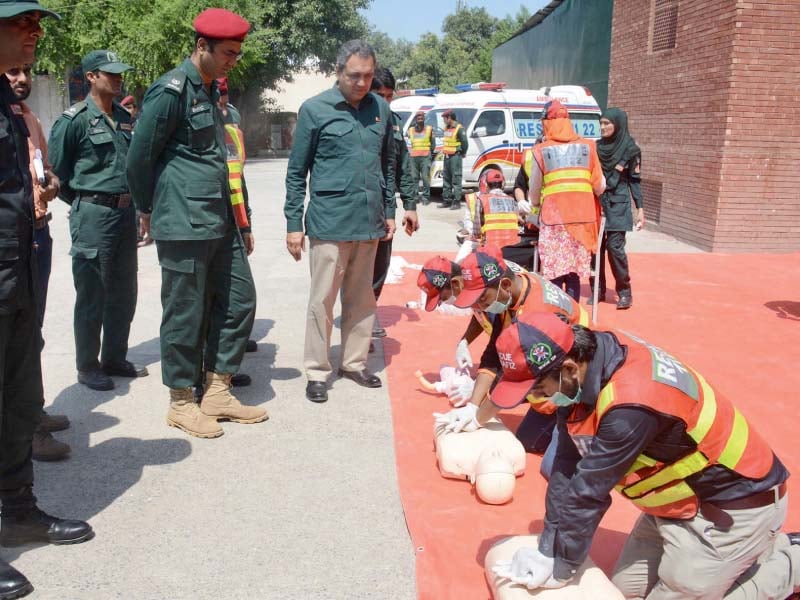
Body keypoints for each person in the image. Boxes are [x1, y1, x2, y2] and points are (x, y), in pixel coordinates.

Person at [488, 311, 800, 598]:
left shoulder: (630, 404)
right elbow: (567, 466)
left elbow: (588, 491)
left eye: (538, 389)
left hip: (734, 505)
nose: (537, 399)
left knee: (683, 593)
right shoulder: (584, 364)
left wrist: (562, 568)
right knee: (625, 591)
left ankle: (789, 560)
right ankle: (735, 558)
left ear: (569, 368)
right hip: (674, 502)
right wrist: (547, 548)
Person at [127, 8, 267, 438]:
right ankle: (181, 401)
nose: (234, 61)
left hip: (218, 218)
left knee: (240, 300)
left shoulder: (208, 90)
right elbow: (139, 159)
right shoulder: (171, 91)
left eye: (238, 54)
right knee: (185, 313)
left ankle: (218, 389)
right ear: (202, 47)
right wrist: (150, 209)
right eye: (228, 53)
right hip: (183, 222)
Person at [0, 3, 94, 596]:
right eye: (22, 23)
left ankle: (17, 511)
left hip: (16, 276)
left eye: (37, 24)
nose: (35, 34)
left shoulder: (9, 107)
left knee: (15, 406)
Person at [284, 39, 396, 404]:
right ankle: (317, 371)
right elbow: (297, 171)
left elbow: (388, 164)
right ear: (338, 73)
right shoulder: (315, 110)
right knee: (322, 301)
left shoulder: (380, 108)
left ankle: (353, 362)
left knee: (362, 299)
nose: (362, 83)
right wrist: (293, 223)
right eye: (354, 76)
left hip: (369, 222)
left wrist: (391, 211)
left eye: (367, 76)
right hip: (329, 222)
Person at [436, 246, 590, 472]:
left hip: (573, 383)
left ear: (505, 286)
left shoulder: (535, 314)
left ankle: (580, 429)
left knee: (552, 468)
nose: (479, 308)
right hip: (550, 375)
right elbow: (493, 355)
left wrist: (479, 418)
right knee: (527, 440)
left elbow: (522, 376)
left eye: (482, 299)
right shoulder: (512, 293)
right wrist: (473, 406)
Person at [49, 49, 147, 391]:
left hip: (124, 213)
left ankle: (114, 357)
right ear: (91, 76)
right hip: (93, 214)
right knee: (92, 291)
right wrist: (86, 203)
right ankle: (87, 365)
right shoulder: (73, 120)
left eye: (120, 73)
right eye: (111, 73)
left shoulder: (122, 115)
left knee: (124, 289)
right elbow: (58, 174)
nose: (118, 78)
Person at [6, 62, 71, 461]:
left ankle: (31, 413)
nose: (22, 78)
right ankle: (22, 431)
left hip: (37, 232)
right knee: (14, 336)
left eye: (26, 70)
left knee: (32, 331)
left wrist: (51, 185)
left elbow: (46, 171)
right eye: (13, 71)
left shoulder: (28, 118)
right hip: (9, 241)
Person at [527, 100, 605, 301]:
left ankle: (555, 318)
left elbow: (534, 193)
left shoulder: (542, 150)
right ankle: (573, 318)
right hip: (583, 222)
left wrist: (534, 205)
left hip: (554, 222)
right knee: (573, 274)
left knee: (553, 275)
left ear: (547, 122)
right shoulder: (588, 146)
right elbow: (600, 186)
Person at [370, 66, 418, 340]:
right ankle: (361, 318)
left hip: (386, 208)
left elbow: (404, 167)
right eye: (380, 95)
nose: (385, 102)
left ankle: (369, 309)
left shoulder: (397, 123)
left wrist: (409, 205)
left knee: (380, 265)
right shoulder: (359, 120)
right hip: (360, 205)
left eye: (389, 96)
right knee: (356, 270)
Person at [216, 75, 257, 386]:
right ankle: (205, 377)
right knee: (208, 302)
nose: (221, 101)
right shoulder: (193, 127)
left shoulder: (232, 129)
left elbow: (238, 179)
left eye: (224, 95)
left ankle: (222, 370)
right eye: (215, 93)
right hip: (202, 224)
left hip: (233, 220)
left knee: (237, 298)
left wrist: (246, 225)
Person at [592, 107, 643, 310]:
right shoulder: (596, 148)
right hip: (597, 203)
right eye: (601, 123)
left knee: (615, 249)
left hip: (618, 205)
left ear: (618, 124)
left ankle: (624, 291)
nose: (603, 127)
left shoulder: (631, 150)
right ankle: (598, 290)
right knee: (595, 249)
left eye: (607, 123)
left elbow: (635, 181)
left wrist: (640, 208)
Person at [440, 108, 468, 210]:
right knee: (446, 178)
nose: (443, 120)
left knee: (456, 178)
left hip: (455, 156)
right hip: (447, 156)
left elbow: (465, 142)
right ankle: (446, 200)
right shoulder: (446, 128)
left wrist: (463, 152)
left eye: (444, 118)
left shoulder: (459, 128)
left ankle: (456, 201)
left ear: (449, 118)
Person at [407, 110, 434, 206]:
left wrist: (430, 155)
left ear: (424, 119)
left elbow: (433, 144)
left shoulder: (429, 129)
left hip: (425, 156)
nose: (420, 119)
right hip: (413, 157)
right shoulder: (410, 130)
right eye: (418, 118)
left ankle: (426, 197)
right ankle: (415, 197)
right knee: (414, 178)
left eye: (422, 118)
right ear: (415, 119)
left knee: (425, 178)